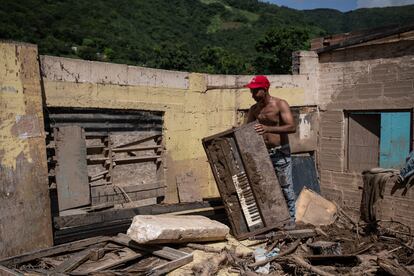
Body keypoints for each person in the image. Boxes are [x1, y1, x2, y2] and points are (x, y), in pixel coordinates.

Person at [245, 75, 297, 224]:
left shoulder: (280, 104)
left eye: (256, 91)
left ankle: (290, 221)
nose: (253, 94)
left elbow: (292, 127)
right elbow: (247, 130)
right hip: (262, 154)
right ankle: (272, 221)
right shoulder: (254, 109)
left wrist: (268, 128)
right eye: (252, 91)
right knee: (265, 188)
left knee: (285, 188)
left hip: (280, 153)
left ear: (265, 89)